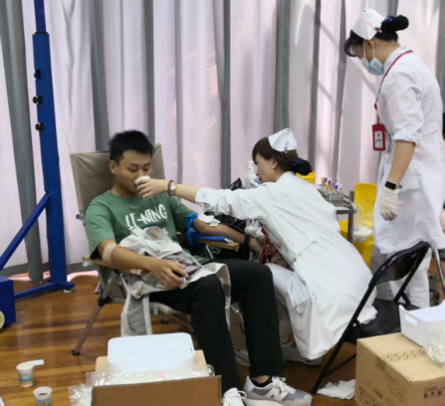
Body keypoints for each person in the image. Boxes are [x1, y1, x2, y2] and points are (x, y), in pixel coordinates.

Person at [85, 130, 312, 406]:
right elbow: (107, 251)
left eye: (146, 168)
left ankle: (262, 383)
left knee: (258, 275)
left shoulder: (157, 196)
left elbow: (201, 225)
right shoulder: (101, 207)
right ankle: (226, 390)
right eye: (133, 169)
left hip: (189, 268)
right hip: (148, 278)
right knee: (208, 286)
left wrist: (249, 241)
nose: (141, 175)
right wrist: (153, 264)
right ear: (114, 167)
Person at [138, 128, 377, 363]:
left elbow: (222, 199)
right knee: (270, 273)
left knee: (261, 275)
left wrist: (169, 187)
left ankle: (269, 350)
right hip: (359, 279)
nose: (255, 170)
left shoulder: (270, 193)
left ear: (273, 162)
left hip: (328, 291)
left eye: (257, 163)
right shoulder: (306, 188)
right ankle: (283, 346)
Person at [344, 9, 445, 308]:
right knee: (388, 258)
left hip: (410, 186)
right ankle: (389, 320)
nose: (363, 61)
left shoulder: (400, 75)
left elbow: (406, 137)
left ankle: (415, 326)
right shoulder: (408, 66)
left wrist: (390, 189)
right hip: (416, 178)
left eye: (360, 54)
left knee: (408, 268)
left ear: (370, 43)